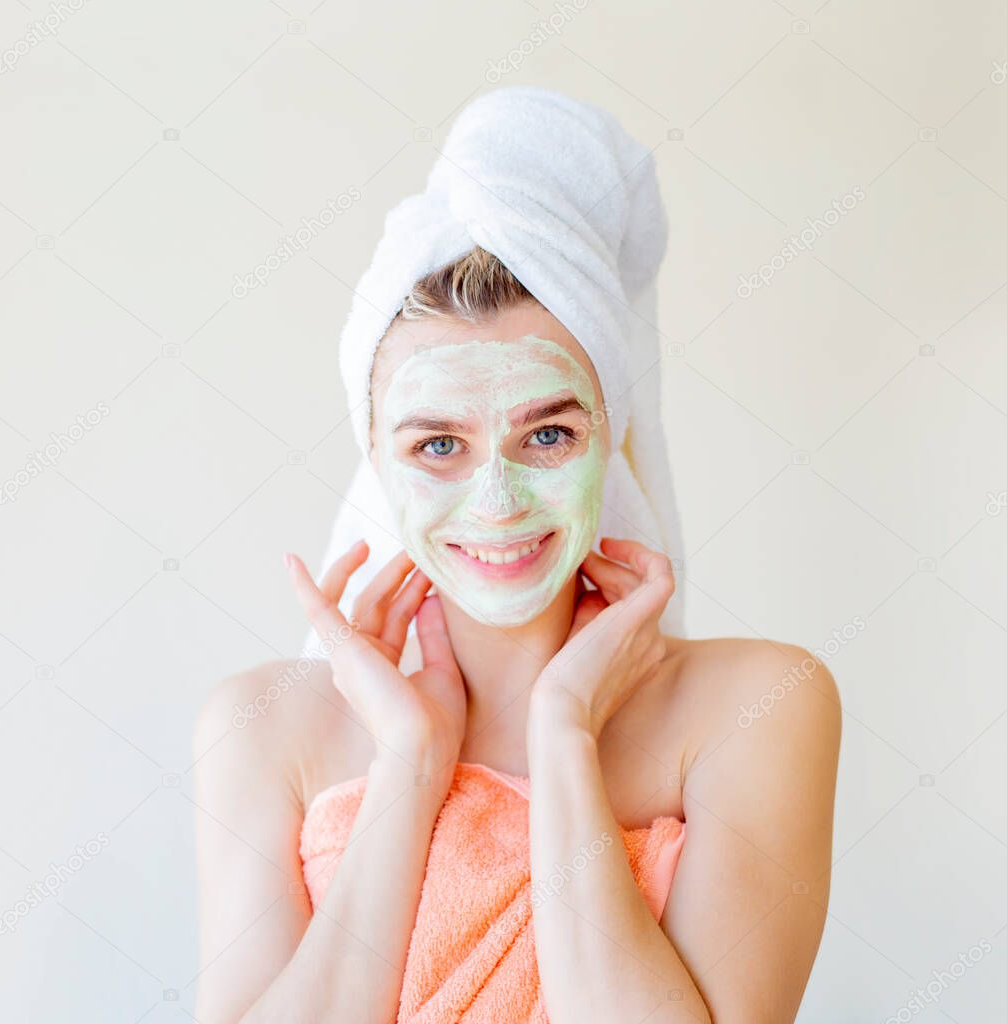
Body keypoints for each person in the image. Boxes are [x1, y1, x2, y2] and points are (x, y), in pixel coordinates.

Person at [192, 91, 840, 1024]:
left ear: (611, 437)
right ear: (377, 462)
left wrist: (565, 729)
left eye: (546, 435)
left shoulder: (758, 709)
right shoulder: (259, 729)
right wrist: (411, 764)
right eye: (438, 445)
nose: (496, 503)